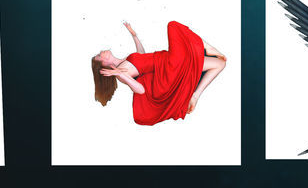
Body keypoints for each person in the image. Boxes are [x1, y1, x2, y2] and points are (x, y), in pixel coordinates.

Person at [91, 20, 226, 125]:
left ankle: (195, 96)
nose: (101, 52)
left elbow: (141, 55)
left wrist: (134, 35)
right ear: (104, 66)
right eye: (99, 56)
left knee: (219, 64)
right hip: (169, 66)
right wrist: (120, 75)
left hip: (169, 63)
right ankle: (208, 48)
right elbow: (140, 90)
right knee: (173, 26)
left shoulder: (125, 61)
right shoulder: (121, 72)